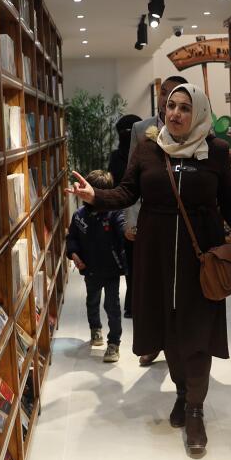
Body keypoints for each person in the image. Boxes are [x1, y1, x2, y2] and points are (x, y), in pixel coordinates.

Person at [68, 83, 231, 458]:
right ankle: (182, 392)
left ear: (198, 113)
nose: (175, 114)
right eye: (170, 106)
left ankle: (195, 409)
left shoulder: (215, 152)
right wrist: (95, 197)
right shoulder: (149, 148)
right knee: (169, 329)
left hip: (201, 255)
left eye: (184, 108)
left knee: (197, 329)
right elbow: (128, 192)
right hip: (155, 253)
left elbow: (229, 203)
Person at [127, 75, 189, 365]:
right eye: (164, 94)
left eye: (175, 96)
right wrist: (131, 219)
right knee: (149, 288)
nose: (167, 100)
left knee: (179, 290)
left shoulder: (197, 131)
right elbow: (132, 181)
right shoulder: (142, 129)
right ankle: (153, 343)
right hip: (149, 221)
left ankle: (179, 345)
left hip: (182, 223)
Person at [65, 170, 127, 363]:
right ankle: (95, 329)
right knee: (92, 301)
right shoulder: (79, 216)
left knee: (112, 306)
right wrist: (74, 254)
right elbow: (71, 238)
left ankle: (114, 343)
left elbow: (124, 232)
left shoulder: (114, 215)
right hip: (89, 269)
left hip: (111, 270)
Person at [108, 114, 142, 315]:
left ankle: (132, 304)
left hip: (129, 213)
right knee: (133, 260)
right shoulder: (145, 153)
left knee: (132, 261)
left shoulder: (117, 156)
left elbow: (114, 186)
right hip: (129, 214)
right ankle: (134, 303)